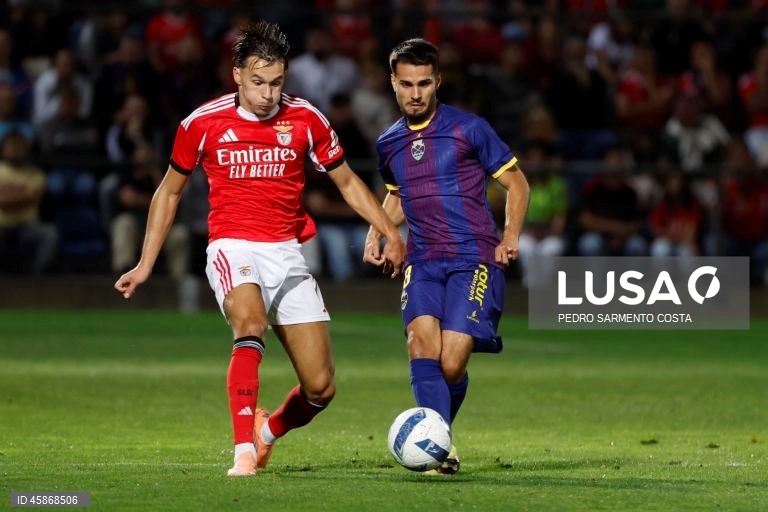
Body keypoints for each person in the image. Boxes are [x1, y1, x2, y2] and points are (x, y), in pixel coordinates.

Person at [114, 21, 405, 477]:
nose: (268, 94)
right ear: (236, 74)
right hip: (233, 245)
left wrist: (389, 230)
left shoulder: (306, 118)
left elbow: (346, 180)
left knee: (321, 388)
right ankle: (241, 453)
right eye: (258, 82)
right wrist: (145, 263)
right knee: (250, 325)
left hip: (286, 252)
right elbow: (168, 192)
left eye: (276, 83)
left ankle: (265, 433)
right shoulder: (202, 123)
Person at [363, 38, 529, 475]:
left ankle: (433, 435)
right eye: (406, 84)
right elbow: (398, 196)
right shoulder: (389, 144)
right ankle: (441, 449)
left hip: (473, 257)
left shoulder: (469, 128)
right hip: (423, 259)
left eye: (424, 83)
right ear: (393, 84)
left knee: (452, 362)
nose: (415, 93)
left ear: (438, 81)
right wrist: (377, 233)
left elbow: (517, 184)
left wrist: (510, 235)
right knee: (420, 342)